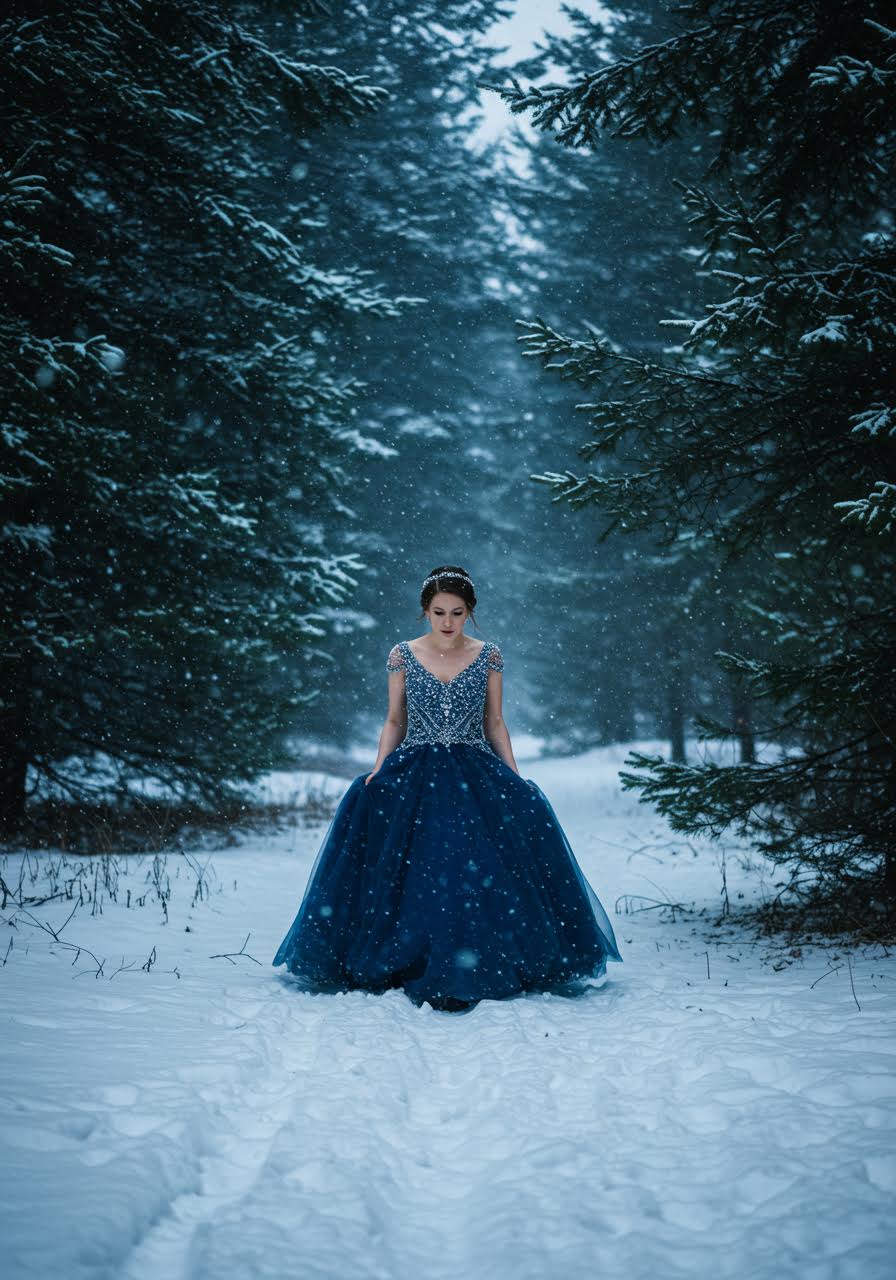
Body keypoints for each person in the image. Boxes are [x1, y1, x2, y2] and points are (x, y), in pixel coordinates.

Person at [272, 564, 622, 1012]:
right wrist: (379, 771)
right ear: (425, 612)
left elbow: (495, 722)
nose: (448, 622)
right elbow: (395, 719)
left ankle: (476, 959)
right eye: (439, 612)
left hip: (473, 770)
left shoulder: (488, 655)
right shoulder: (402, 654)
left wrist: (514, 779)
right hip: (414, 769)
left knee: (468, 865)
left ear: (470, 613)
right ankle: (410, 955)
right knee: (414, 866)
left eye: (457, 612)